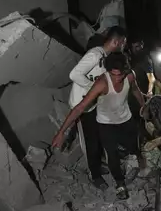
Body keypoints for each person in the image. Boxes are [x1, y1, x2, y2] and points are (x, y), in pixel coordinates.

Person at [53, 53, 146, 200]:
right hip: (106, 123)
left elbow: (135, 90)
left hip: (125, 119)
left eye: (119, 75)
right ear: (108, 71)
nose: (116, 78)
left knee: (133, 146)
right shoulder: (102, 83)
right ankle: (119, 183)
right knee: (112, 154)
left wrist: (143, 106)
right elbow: (79, 108)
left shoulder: (129, 76)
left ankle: (134, 160)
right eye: (113, 74)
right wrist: (61, 132)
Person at [64, 26, 127, 190]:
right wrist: (93, 86)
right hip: (82, 106)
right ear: (115, 41)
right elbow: (74, 74)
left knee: (99, 138)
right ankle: (94, 175)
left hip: (94, 104)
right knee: (90, 142)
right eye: (122, 42)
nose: (124, 45)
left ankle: (98, 165)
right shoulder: (95, 54)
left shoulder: (106, 57)